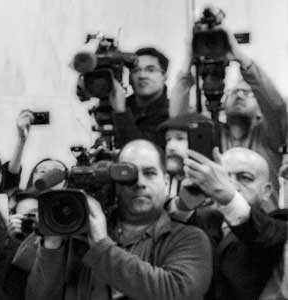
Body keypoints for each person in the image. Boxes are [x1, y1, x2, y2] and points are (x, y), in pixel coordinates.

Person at [16, 139, 212, 300]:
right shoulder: (77, 233)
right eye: (129, 174)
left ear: (167, 182)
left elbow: (176, 292)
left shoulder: (189, 238)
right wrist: (53, 240)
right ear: (115, 183)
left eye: (150, 173)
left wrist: (101, 245)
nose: (140, 183)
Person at [171, 27, 288, 207]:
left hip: (263, 224)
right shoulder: (211, 132)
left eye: (248, 93)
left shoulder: (268, 136)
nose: (240, 95)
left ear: (260, 108)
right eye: (234, 92)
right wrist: (188, 63)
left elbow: (276, 107)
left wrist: (241, 58)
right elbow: (178, 122)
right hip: (218, 223)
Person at [179, 147, 288, 300]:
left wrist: (228, 197)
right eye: (223, 176)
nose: (231, 185)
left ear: (267, 191)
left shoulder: (279, 222)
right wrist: (189, 196)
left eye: (244, 177)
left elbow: (261, 233)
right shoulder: (202, 220)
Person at [109, 47, 170, 149]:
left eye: (150, 70)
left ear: (164, 75)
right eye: (136, 70)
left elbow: (142, 155)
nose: (142, 75)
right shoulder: (115, 106)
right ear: (129, 78)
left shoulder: (174, 114)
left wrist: (121, 113)